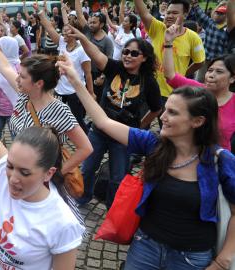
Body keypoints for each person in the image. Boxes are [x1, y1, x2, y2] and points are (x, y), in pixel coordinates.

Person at [57, 45, 235, 270]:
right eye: (166, 109)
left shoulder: (220, 161)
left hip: (190, 258)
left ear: (197, 121)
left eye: (173, 113)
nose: (163, 117)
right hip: (145, 248)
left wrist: (223, 260)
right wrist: (75, 80)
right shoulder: (154, 144)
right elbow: (103, 122)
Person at [0, 21, 84, 269]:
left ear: (48, 173)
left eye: (24, 172)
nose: (11, 179)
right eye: (10, 166)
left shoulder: (61, 224)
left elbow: (86, 147)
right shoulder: (1, 175)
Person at [0, 25, 93, 185]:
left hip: (42, 183)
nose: (17, 79)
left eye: (22, 76)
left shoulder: (59, 110)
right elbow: (4, 66)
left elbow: (86, 148)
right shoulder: (24, 96)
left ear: (38, 83)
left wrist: (53, 175)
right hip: (21, 174)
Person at [67, 25, 162, 207]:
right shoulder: (114, 68)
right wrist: (83, 38)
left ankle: (113, 207)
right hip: (99, 132)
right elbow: (95, 54)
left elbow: (157, 108)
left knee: (118, 176)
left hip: (123, 137)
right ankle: (82, 198)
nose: (127, 55)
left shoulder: (149, 82)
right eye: (126, 51)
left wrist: (141, 126)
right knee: (87, 169)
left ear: (144, 58)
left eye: (134, 53)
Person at [163, 20, 235, 152]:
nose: (211, 75)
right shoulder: (197, 90)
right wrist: (168, 43)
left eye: (219, 72)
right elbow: (170, 75)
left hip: (217, 161)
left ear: (232, 78)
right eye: (210, 70)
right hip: (186, 155)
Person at [134, 0, 205, 100]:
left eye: (175, 13)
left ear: (185, 15)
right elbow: (144, 14)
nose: (170, 16)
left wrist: (182, 75)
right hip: (149, 87)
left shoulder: (194, 38)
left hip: (172, 93)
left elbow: (200, 62)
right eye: (168, 12)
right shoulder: (158, 28)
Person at [38, 10, 93, 132]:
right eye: (63, 31)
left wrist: (91, 92)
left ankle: (89, 140)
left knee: (77, 120)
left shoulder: (82, 50)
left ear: (75, 33)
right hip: (60, 90)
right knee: (56, 117)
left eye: (67, 32)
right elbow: (50, 28)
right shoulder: (62, 42)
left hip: (75, 91)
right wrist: (40, 12)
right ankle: (57, 140)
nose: (64, 34)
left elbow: (88, 74)